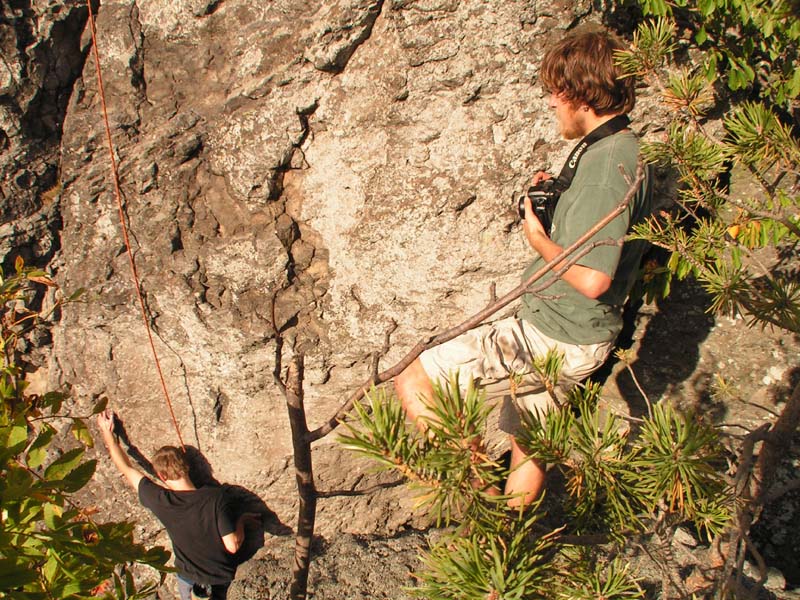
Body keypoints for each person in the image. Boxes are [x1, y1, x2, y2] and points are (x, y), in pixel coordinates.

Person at [394, 27, 654, 508]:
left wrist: (537, 237)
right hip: (580, 335)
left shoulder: (606, 165)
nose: (551, 103)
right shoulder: (619, 149)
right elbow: (599, 232)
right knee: (528, 442)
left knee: (415, 377)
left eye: (555, 92)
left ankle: (484, 505)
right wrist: (559, 199)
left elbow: (594, 278)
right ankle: (506, 551)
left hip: (555, 333)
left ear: (578, 93)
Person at [97, 408, 249, 600]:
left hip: (188, 580)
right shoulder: (215, 497)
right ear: (187, 466)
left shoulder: (160, 500)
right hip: (219, 582)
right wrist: (242, 521)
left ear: (161, 476)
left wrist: (107, 433)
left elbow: (126, 468)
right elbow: (232, 546)